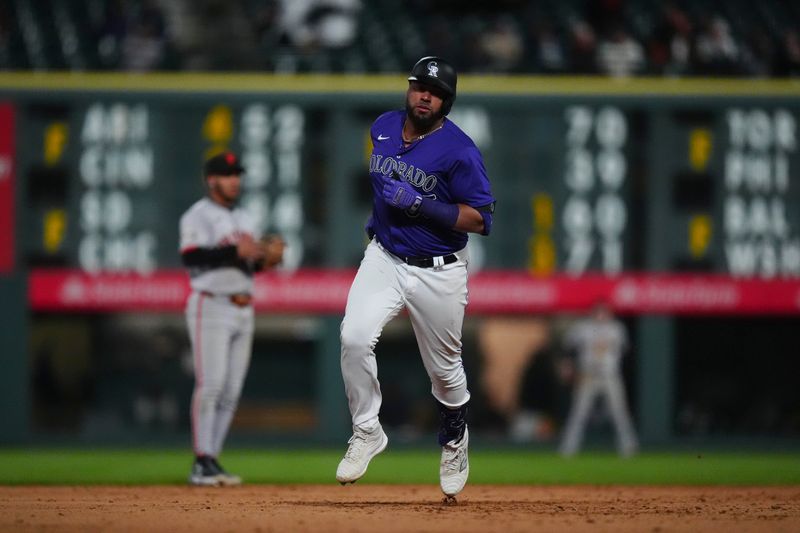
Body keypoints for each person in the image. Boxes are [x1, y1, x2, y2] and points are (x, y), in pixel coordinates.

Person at [335, 56, 496, 500]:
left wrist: (424, 206)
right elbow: (383, 187)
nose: (426, 95)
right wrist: (380, 216)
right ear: (409, 89)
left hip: (439, 270)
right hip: (385, 257)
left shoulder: (460, 150)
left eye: (437, 92)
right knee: (353, 337)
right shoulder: (383, 128)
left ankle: (454, 436)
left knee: (445, 373)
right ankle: (367, 430)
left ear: (447, 102)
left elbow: (482, 219)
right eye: (420, 86)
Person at [179, 151, 285, 486]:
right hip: (210, 304)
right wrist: (232, 251)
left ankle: (212, 459)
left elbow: (247, 264)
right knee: (210, 385)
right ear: (212, 180)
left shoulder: (245, 218)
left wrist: (266, 260)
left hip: (243, 307)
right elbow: (190, 256)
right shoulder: (197, 215)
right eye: (227, 174)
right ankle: (200, 461)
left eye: (237, 174)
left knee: (231, 391)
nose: (234, 180)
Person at [558, 300, 638, 457]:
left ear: (610, 313)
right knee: (579, 413)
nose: (601, 315)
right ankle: (568, 448)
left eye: (605, 312)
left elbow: (626, 351)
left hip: (610, 375)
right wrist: (568, 365)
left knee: (619, 412)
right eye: (598, 312)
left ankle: (629, 447)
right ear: (593, 313)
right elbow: (567, 346)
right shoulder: (583, 328)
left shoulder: (617, 328)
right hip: (588, 375)